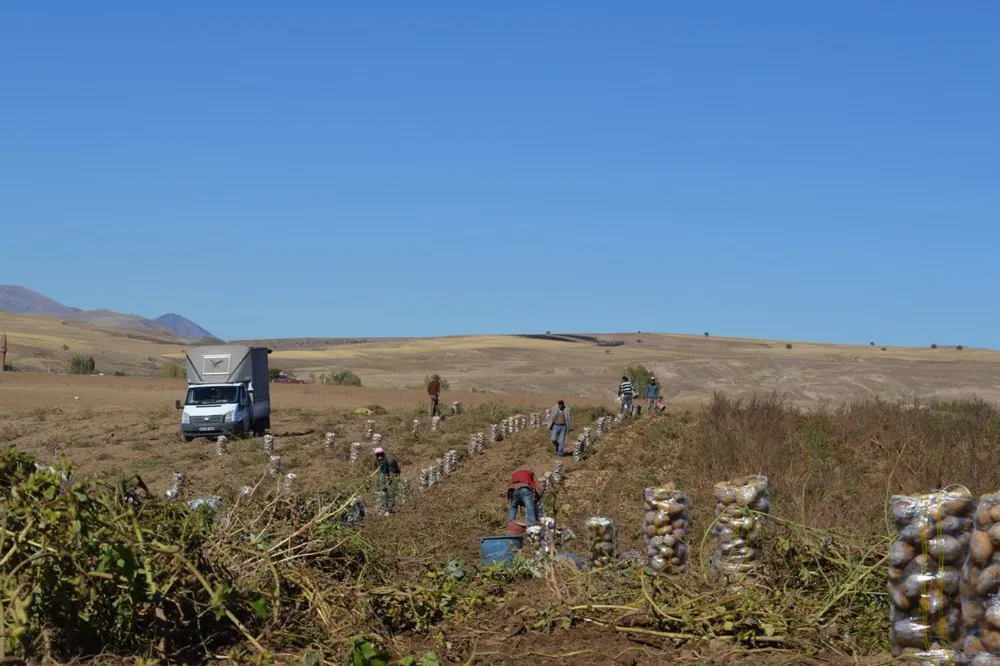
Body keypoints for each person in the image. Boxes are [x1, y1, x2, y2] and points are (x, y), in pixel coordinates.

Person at [373, 447, 401, 514]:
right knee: (382, 491)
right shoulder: (375, 460)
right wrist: (378, 483)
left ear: (383, 454)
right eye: (377, 455)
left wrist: (387, 483)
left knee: (391, 491)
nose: (379, 456)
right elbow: (375, 471)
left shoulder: (390, 460)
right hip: (383, 473)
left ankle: (390, 509)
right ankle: (383, 507)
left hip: (393, 474)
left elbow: (392, 474)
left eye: (380, 454)